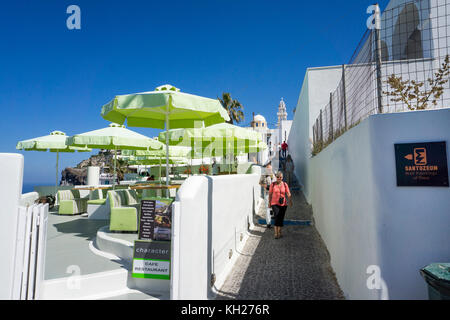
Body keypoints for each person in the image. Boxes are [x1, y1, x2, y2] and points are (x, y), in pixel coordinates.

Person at [269, 171, 293, 239]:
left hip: (283, 204)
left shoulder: (285, 184)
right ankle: (276, 233)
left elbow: (288, 193)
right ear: (276, 177)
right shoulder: (272, 185)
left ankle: (279, 231)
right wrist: (269, 203)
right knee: (277, 217)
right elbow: (270, 194)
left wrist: (290, 200)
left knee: (281, 218)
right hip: (274, 203)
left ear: (282, 177)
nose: (279, 178)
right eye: (278, 177)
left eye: (280, 177)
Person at [259, 162, 276, 228]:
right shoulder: (263, 175)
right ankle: (268, 223)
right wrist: (265, 186)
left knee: (273, 206)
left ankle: (272, 214)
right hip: (266, 193)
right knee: (267, 208)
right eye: (268, 169)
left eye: (270, 169)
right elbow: (260, 182)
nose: (269, 170)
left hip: (273, 194)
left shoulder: (273, 175)